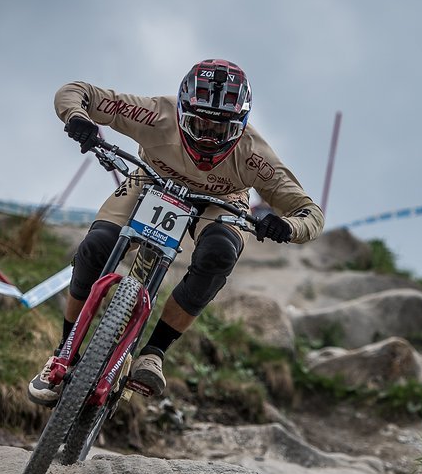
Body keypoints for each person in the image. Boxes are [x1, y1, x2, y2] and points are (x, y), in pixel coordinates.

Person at [28, 59, 324, 406]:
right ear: (183, 112)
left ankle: (154, 352)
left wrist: (287, 225)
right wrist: (77, 117)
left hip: (219, 200)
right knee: (97, 246)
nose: (210, 136)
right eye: (201, 124)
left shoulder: (254, 155)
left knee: (219, 254)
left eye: (222, 128)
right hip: (150, 180)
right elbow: (78, 92)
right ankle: (65, 350)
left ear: (241, 125)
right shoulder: (155, 114)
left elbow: (310, 214)